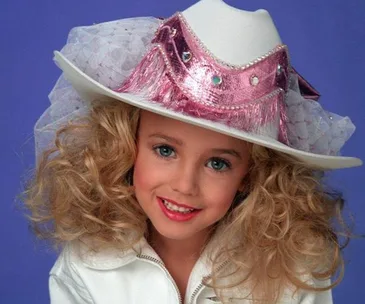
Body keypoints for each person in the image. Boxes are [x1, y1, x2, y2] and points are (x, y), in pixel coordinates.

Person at [23, 0, 362, 303]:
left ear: (251, 174)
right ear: (126, 145)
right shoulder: (86, 268)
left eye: (218, 163)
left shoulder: (289, 274)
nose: (185, 185)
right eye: (165, 150)